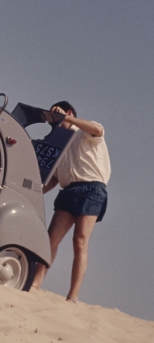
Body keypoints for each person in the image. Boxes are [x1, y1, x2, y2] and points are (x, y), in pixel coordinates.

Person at [32, 101, 111, 303]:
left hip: (91, 188)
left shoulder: (84, 131)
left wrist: (66, 118)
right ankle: (35, 284)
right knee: (51, 238)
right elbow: (54, 178)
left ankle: (73, 296)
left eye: (56, 117)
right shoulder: (60, 143)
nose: (55, 123)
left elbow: (98, 130)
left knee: (80, 241)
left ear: (68, 113)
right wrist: (32, 191)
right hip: (68, 190)